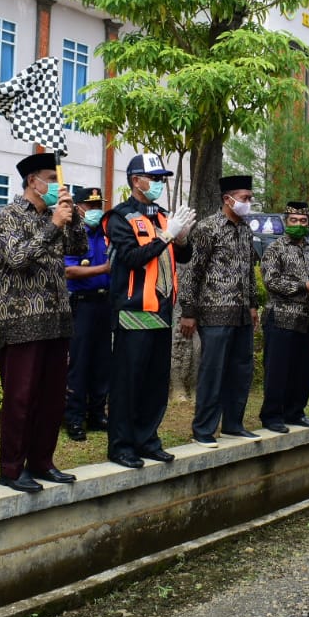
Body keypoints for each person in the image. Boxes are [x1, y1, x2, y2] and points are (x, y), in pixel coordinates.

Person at [0, 153, 87, 493]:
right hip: (21, 320)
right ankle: (12, 469)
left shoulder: (56, 215)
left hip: (57, 317)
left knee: (51, 398)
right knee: (20, 397)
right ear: (33, 181)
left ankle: (42, 462)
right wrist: (54, 226)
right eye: (51, 178)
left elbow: (79, 248)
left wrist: (71, 218)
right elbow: (17, 259)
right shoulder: (8, 216)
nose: (57, 186)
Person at [103, 153, 196, 469]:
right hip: (133, 311)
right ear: (135, 181)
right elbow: (132, 257)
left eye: (161, 178)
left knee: (156, 383)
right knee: (129, 382)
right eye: (153, 178)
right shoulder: (120, 217)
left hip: (162, 311)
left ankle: (147, 439)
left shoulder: (163, 217)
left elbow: (179, 258)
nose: (158, 183)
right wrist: (168, 235)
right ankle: (121, 445)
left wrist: (181, 239)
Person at [178, 174, 259, 447]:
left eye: (250, 198)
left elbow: (249, 271)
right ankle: (203, 430)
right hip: (213, 312)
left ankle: (234, 425)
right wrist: (188, 312)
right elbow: (192, 273)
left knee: (241, 370)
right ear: (228, 199)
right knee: (212, 372)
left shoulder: (246, 229)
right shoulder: (207, 228)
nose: (249, 202)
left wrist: (253, 305)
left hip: (241, 314)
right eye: (245, 198)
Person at [259, 200, 309, 434]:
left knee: (301, 371)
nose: (299, 224)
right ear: (285, 221)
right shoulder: (275, 248)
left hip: (306, 319)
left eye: (303, 221)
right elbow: (271, 281)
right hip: (280, 318)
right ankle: (272, 416)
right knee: (277, 370)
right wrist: (304, 286)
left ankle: (295, 412)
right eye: (294, 220)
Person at [63, 185, 112, 442]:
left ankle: (97, 414)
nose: (95, 210)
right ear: (79, 208)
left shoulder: (105, 233)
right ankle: (74, 417)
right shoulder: (72, 233)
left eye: (98, 206)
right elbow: (68, 271)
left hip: (105, 304)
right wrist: (105, 268)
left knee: (102, 362)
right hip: (81, 305)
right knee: (79, 364)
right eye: (90, 206)